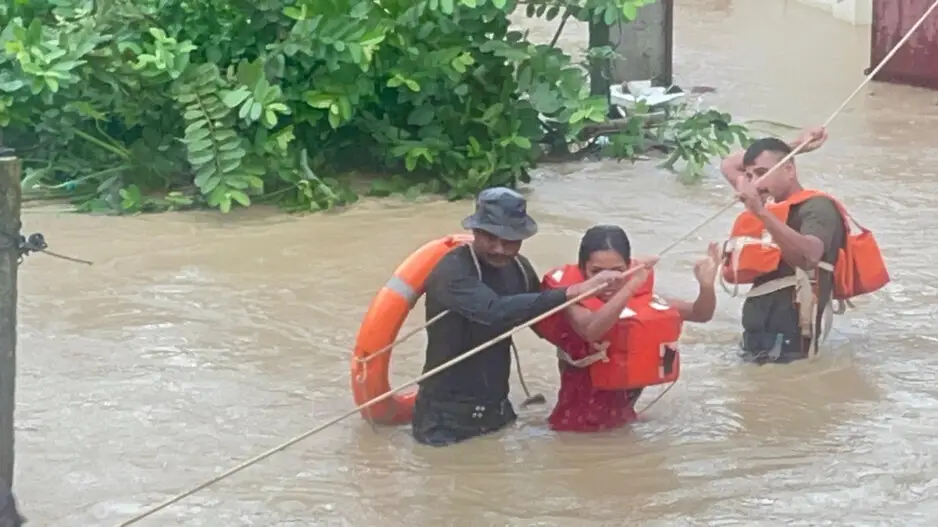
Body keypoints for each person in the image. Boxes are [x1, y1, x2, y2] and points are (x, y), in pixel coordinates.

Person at [411, 187, 624, 447]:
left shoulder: (520, 269)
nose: (500, 249)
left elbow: (546, 321)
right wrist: (573, 291)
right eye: (490, 237)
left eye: (510, 240)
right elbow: (494, 311)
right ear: (475, 231)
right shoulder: (454, 271)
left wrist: (597, 342)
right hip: (444, 422)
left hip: (497, 412)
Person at [535, 225, 720, 432]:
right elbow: (590, 330)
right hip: (574, 428)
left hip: (624, 418)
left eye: (618, 271)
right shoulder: (572, 301)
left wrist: (706, 286)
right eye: (596, 271)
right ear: (582, 270)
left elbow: (700, 314)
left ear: (629, 267)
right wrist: (630, 286)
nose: (608, 280)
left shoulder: (637, 297)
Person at [719, 127, 848, 363]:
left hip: (790, 341)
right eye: (750, 176)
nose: (755, 182)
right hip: (757, 335)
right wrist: (795, 146)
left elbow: (809, 257)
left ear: (789, 170)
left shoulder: (817, 207)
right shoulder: (766, 203)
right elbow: (729, 164)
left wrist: (760, 212)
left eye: (762, 173)